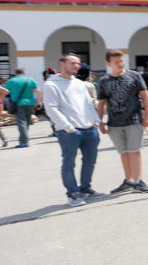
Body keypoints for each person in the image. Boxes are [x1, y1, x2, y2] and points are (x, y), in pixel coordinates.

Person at [43, 53, 103, 206]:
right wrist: (67, 126)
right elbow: (51, 108)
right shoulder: (52, 84)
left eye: (78, 63)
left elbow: (88, 103)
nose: (77, 66)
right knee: (69, 164)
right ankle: (72, 194)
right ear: (62, 64)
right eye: (73, 63)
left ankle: (85, 189)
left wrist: (96, 120)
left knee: (90, 161)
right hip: (69, 132)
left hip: (89, 129)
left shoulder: (79, 83)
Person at [96, 49, 148, 194]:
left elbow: (145, 95)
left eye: (121, 61)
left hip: (134, 120)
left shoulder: (134, 76)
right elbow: (101, 103)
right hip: (114, 123)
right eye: (116, 62)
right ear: (108, 63)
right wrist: (100, 121)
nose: (120, 64)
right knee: (123, 152)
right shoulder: (103, 81)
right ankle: (129, 180)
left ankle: (138, 181)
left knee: (134, 151)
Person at [4, 68, 41, 148]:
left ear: (15, 73)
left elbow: (5, 91)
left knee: (21, 122)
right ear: (24, 73)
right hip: (30, 103)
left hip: (19, 104)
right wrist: (39, 102)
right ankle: (24, 139)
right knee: (27, 122)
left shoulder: (11, 81)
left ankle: (24, 142)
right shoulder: (30, 80)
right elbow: (38, 91)